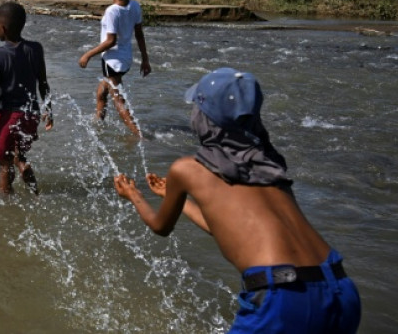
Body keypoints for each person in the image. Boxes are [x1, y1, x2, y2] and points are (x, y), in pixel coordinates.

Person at [113, 68, 361, 333]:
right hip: (340, 287)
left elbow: (160, 226)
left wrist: (133, 195)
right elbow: (228, 231)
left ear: (203, 118)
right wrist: (180, 201)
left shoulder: (188, 169)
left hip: (284, 296)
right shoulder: (270, 165)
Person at [0, 2, 53, 195]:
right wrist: (48, 110)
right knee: (19, 156)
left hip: (9, 116)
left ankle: (5, 203)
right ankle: (34, 192)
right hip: (30, 116)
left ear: (3, 28)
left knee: (4, 164)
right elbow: (43, 83)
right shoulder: (36, 49)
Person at [78, 0, 151, 137]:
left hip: (112, 61)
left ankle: (139, 136)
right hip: (125, 59)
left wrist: (87, 55)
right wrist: (145, 59)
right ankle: (98, 123)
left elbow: (111, 41)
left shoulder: (112, 11)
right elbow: (139, 34)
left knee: (118, 101)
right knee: (101, 92)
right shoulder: (134, 5)